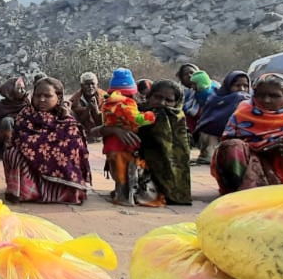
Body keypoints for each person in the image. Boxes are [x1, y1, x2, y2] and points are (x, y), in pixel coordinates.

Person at [100, 80, 192, 207]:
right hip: (138, 166)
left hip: (167, 174)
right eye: (157, 97)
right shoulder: (134, 110)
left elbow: (179, 159)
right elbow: (95, 131)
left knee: (154, 195)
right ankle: (125, 187)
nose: (161, 103)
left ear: (177, 103)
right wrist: (115, 130)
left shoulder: (177, 120)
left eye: (168, 100)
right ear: (149, 96)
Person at [4, 77, 91, 205]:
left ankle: (61, 192)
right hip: (30, 164)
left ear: (59, 97)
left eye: (47, 96)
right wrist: (47, 145)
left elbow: (75, 141)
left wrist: (49, 145)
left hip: (60, 168)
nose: (42, 100)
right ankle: (26, 192)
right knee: (12, 154)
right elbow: (21, 139)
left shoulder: (67, 117)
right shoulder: (25, 115)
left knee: (73, 144)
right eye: (38, 96)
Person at [102, 68, 156, 205]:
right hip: (125, 143)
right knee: (127, 170)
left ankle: (120, 194)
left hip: (112, 143)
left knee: (119, 171)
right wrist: (150, 117)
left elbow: (104, 123)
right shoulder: (126, 103)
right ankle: (126, 197)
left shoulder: (108, 103)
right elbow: (136, 119)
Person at [194, 71, 252, 164]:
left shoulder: (250, 102)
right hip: (213, 138)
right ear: (228, 86)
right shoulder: (215, 99)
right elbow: (206, 121)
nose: (242, 89)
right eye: (237, 85)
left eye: (245, 86)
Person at [0, 77, 30, 157]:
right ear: (10, 90)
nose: (22, 91)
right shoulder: (1, 105)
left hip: (23, 138)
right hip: (3, 138)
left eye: (23, 88)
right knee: (6, 121)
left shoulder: (27, 104)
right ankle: (7, 150)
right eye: (19, 88)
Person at [186, 70, 221, 164]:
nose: (192, 87)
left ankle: (209, 157)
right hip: (203, 119)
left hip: (214, 120)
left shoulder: (213, 93)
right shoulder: (195, 93)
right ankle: (204, 155)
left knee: (208, 136)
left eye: (194, 84)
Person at [69, 72, 108, 142]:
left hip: (101, 127)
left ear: (97, 85)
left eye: (92, 84)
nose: (90, 87)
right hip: (85, 129)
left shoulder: (104, 97)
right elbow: (79, 119)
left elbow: (105, 118)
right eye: (87, 84)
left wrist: (96, 110)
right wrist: (87, 109)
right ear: (81, 86)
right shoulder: (75, 99)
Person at [176, 62, 199, 134]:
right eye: (185, 74)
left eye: (192, 72)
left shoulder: (210, 89)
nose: (189, 75)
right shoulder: (177, 92)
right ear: (181, 78)